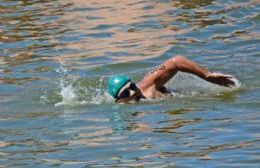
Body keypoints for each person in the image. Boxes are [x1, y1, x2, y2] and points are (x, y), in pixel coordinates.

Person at [107, 55, 235, 103]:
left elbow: (176, 61)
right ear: (118, 101)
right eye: (125, 92)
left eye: (132, 86)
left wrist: (207, 75)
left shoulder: (148, 84)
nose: (133, 92)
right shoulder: (124, 112)